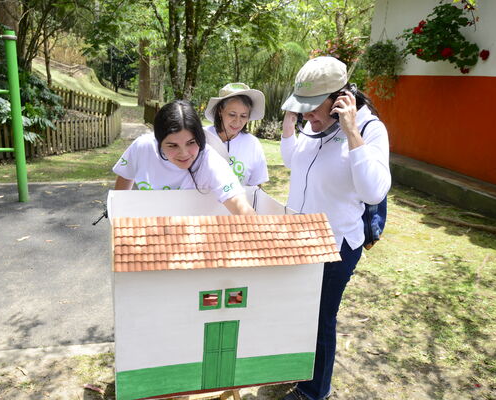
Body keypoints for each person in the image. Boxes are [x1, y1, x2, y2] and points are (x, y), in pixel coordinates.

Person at [279, 56, 391, 400]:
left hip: (335, 243)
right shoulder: (313, 127)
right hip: (299, 236)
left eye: (314, 107)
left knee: (320, 317)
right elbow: (293, 162)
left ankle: (313, 392)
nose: (309, 116)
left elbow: (374, 190)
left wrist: (351, 131)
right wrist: (290, 120)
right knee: (299, 311)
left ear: (340, 99)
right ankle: (299, 370)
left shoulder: (369, 129)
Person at [113, 99, 256, 216]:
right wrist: (117, 215)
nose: (184, 153)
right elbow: (124, 179)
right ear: (158, 141)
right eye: (172, 146)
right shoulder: (142, 147)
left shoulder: (210, 161)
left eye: (191, 143)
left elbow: (240, 205)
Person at [204, 83, 269, 186]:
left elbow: (256, 186)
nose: (237, 122)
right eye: (232, 114)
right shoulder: (202, 137)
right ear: (220, 111)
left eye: (243, 116)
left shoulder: (253, 144)